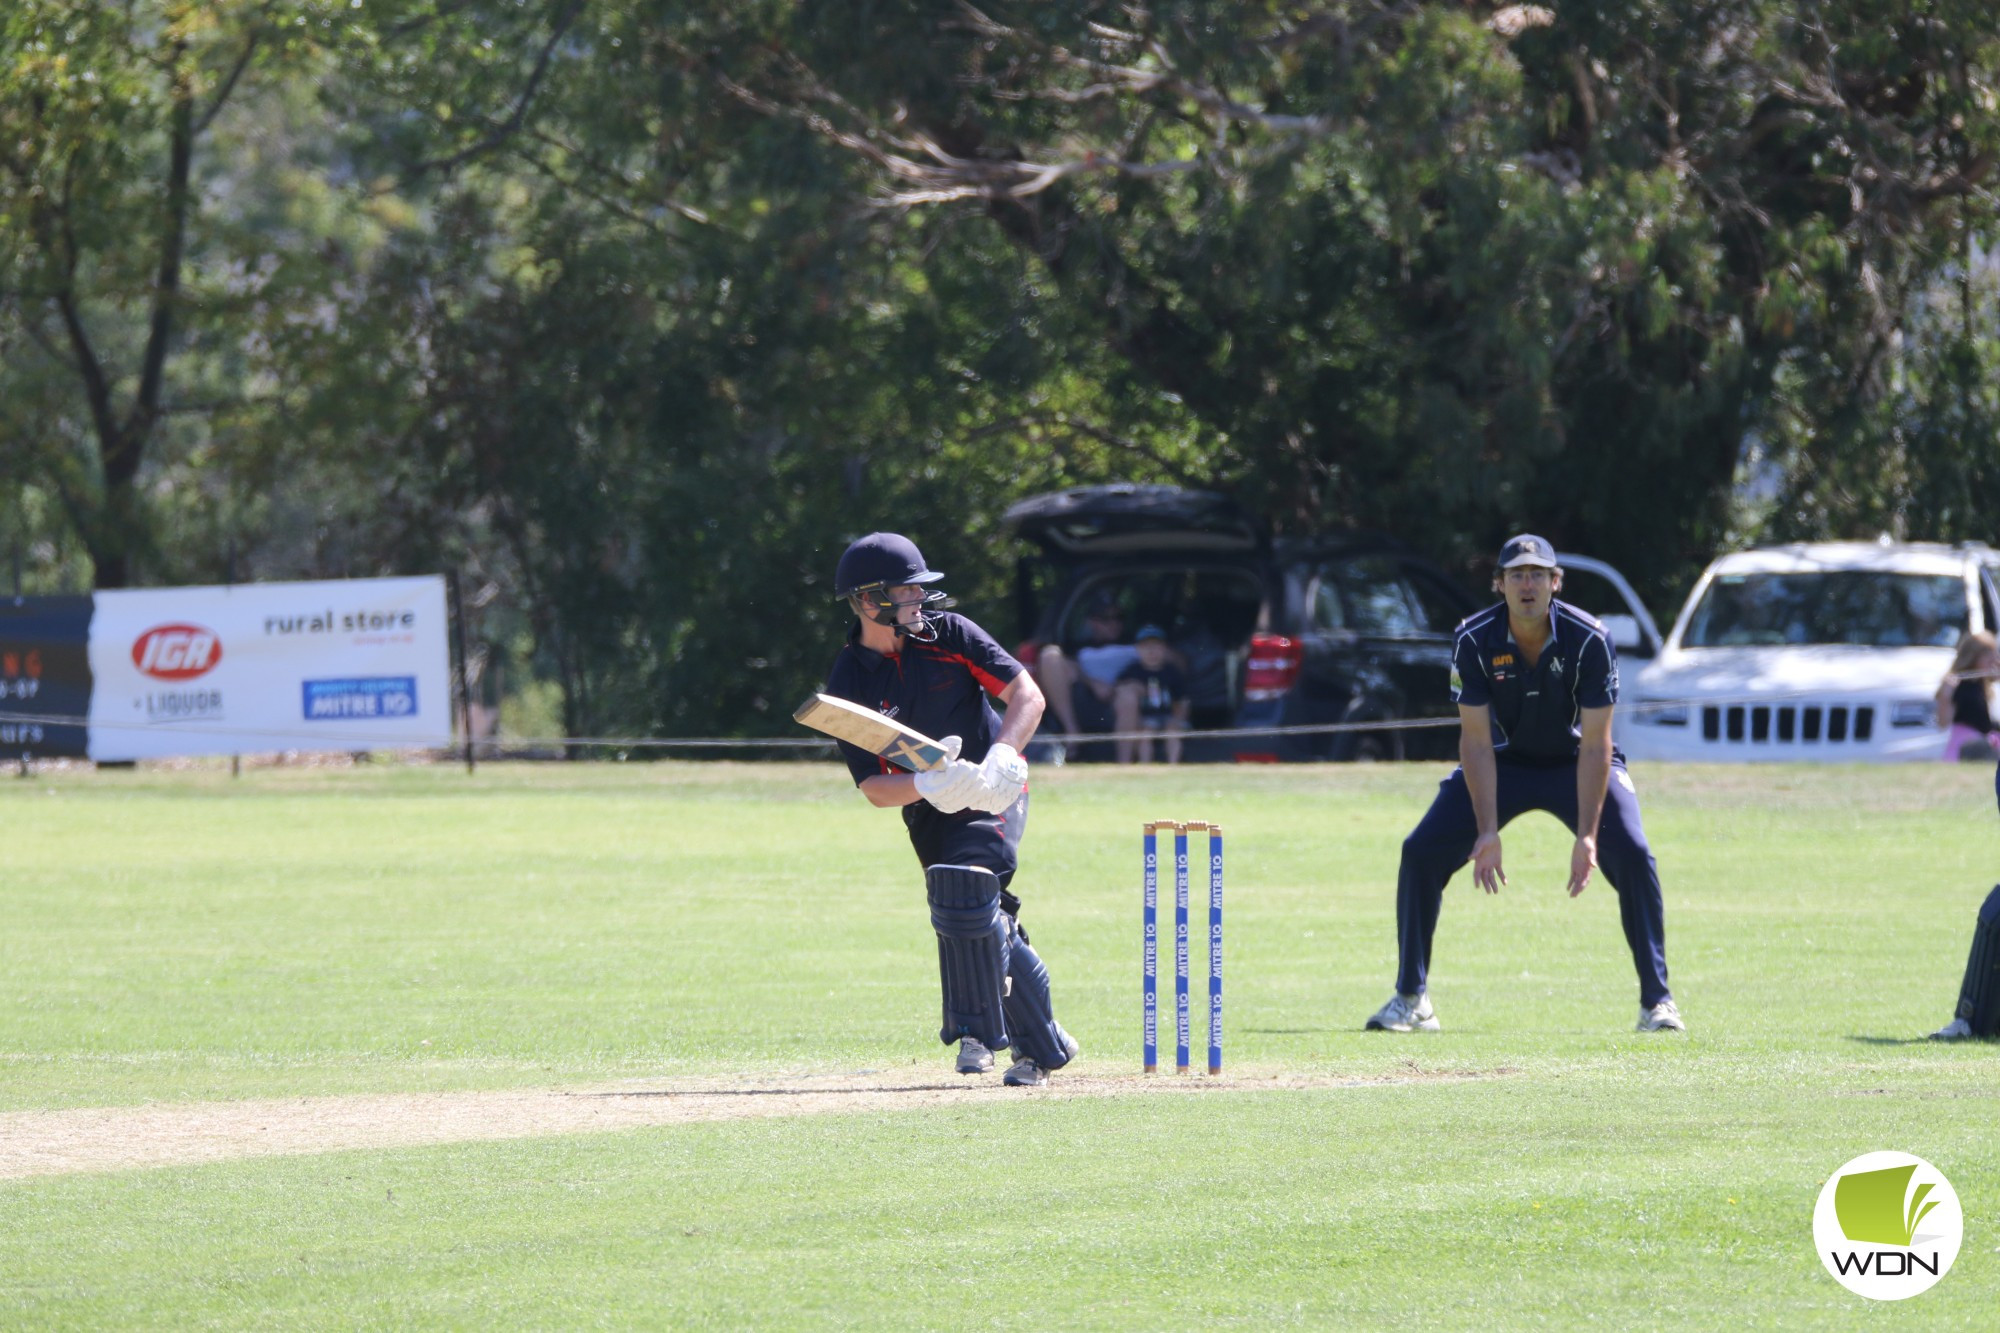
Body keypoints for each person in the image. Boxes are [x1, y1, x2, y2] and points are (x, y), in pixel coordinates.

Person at [1364, 534, 1684, 1035]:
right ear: (1500, 585)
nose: (1527, 584)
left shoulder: (1590, 638)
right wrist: (1487, 830)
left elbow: (1598, 743)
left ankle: (1657, 1003)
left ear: (1556, 583)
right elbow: (1474, 742)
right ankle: (1412, 998)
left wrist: (1589, 835)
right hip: (1503, 762)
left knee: (1636, 854)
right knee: (1420, 850)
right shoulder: (1473, 638)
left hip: (1577, 761)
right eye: (1516, 575)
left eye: (1538, 574)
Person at [820, 531, 1080, 1086]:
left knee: (966, 890)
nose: (919, 598)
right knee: (982, 917)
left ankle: (976, 1035)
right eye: (907, 590)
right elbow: (872, 786)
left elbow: (1027, 694)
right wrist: (929, 786)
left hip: (996, 791)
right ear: (869, 601)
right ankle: (1043, 1045)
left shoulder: (952, 635)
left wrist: (1004, 755)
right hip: (929, 808)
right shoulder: (848, 680)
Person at [1035, 593, 1142, 757]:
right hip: (1084, 697)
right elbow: (1064, 665)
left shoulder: (1135, 642)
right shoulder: (1077, 646)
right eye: (1106, 618)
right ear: (1092, 621)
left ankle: (1124, 764)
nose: (1113, 623)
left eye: (1118, 618)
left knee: (1128, 696)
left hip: (1123, 695)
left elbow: (1173, 660)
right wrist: (1093, 683)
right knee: (1049, 655)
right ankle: (1072, 734)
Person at [1116, 625, 1190, 763]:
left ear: (1165, 649)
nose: (1151, 652)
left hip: (1168, 715)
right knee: (1145, 734)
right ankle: (1146, 766)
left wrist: (1179, 719)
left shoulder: (1172, 672)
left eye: (1156, 647)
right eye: (1146, 647)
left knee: (1173, 733)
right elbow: (1119, 690)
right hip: (1145, 717)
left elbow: (1182, 700)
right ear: (1137, 650)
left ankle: (1173, 765)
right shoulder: (1132, 671)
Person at [1935, 630, 1999, 762]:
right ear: (1974, 657)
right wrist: (1945, 697)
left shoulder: (1982, 682)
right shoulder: (1958, 685)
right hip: (1966, 748)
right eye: (1988, 656)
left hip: (1983, 746)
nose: (1994, 661)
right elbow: (1943, 723)